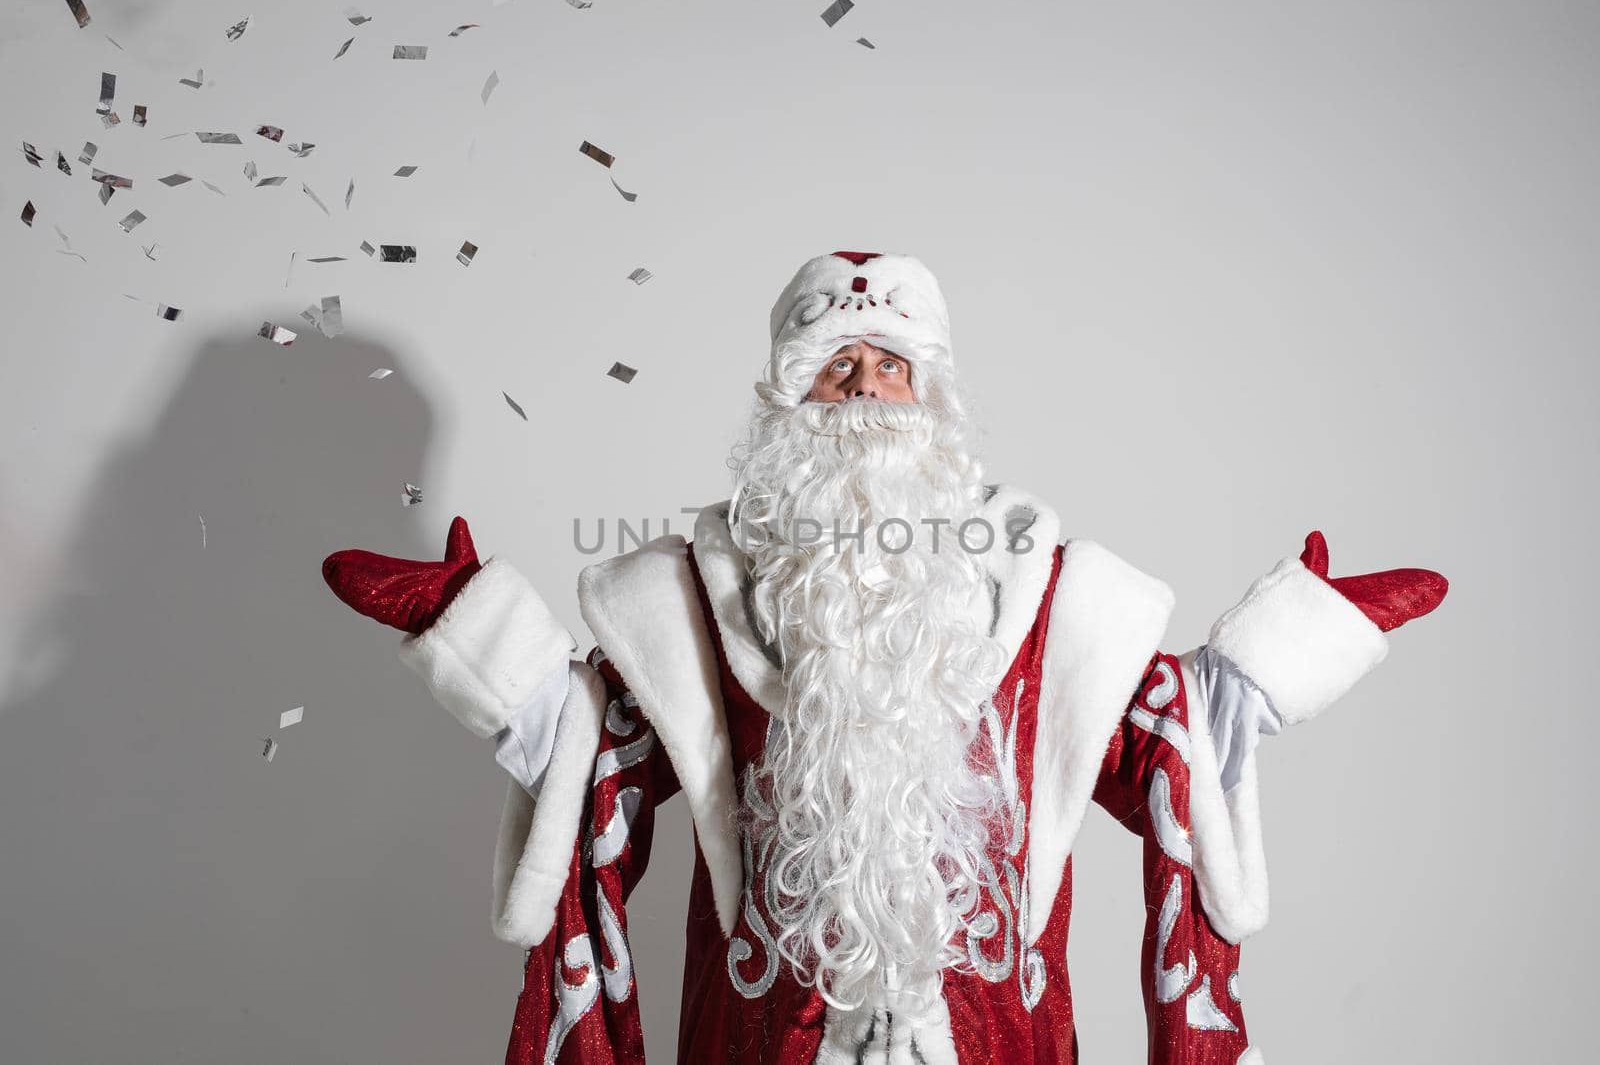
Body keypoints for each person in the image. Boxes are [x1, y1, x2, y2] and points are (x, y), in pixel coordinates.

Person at [322, 251, 1446, 1064]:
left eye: (892, 366)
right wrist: (468, 622)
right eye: (835, 364)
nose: (865, 386)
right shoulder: (700, 602)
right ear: (785, 404)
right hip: (766, 1038)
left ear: (933, 399)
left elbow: (1164, 733)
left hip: (993, 1040)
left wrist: (1274, 657)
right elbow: (585, 754)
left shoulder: (1045, 600)